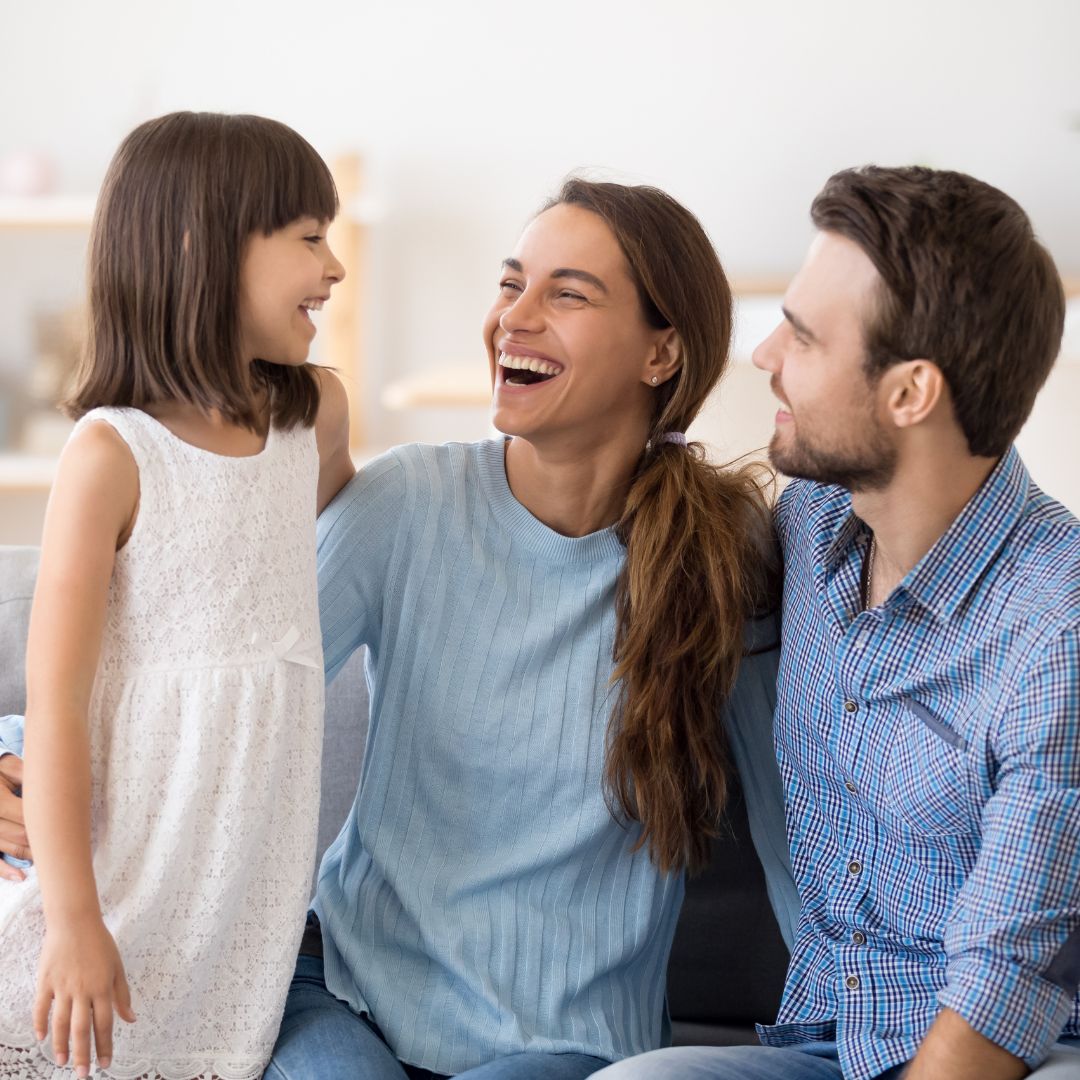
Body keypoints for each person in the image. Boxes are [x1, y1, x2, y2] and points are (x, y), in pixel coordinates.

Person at [1, 178, 798, 1078]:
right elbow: (223, 673)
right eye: (509, 285)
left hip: (562, 1044)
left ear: (663, 353)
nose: (515, 318)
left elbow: (797, 815)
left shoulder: (725, 552)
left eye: (567, 294)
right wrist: (11, 753)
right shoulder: (409, 504)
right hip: (342, 995)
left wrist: (861, 1039)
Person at [590, 166, 1080, 1080]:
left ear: (910, 394)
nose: (766, 352)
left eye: (805, 336)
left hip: (1014, 1057)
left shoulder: (1058, 630)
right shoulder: (812, 528)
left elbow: (1000, 993)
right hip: (831, 1045)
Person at [0, 111, 353, 1079]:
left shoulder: (316, 416)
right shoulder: (111, 455)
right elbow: (57, 709)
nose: (336, 269)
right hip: (109, 883)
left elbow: (311, 530)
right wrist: (73, 918)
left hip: (237, 902)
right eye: (310, 238)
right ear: (202, 247)